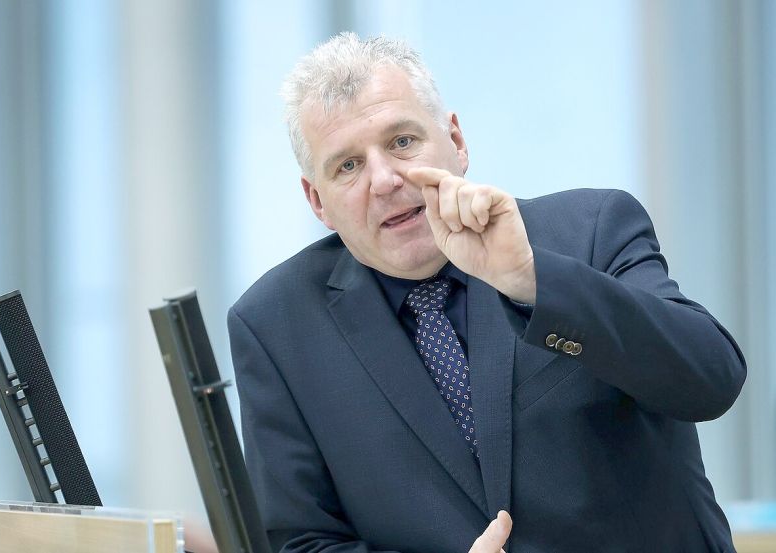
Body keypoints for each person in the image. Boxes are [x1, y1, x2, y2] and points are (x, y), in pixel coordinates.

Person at [227, 33, 745, 553]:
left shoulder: (589, 229)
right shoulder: (275, 325)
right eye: (348, 166)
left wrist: (535, 282)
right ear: (316, 200)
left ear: (456, 141)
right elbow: (301, 541)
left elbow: (710, 379)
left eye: (402, 141)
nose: (383, 180)